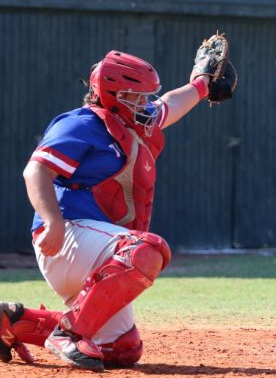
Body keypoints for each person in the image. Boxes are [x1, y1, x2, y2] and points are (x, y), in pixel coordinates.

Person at [1, 43, 235, 371]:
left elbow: (170, 104)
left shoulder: (133, 122)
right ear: (111, 94)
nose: (144, 103)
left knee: (121, 350)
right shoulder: (81, 123)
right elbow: (36, 170)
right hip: (67, 236)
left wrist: (201, 82)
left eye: (145, 96)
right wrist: (52, 221)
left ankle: (13, 321)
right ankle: (68, 332)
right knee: (148, 250)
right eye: (135, 96)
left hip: (98, 251)